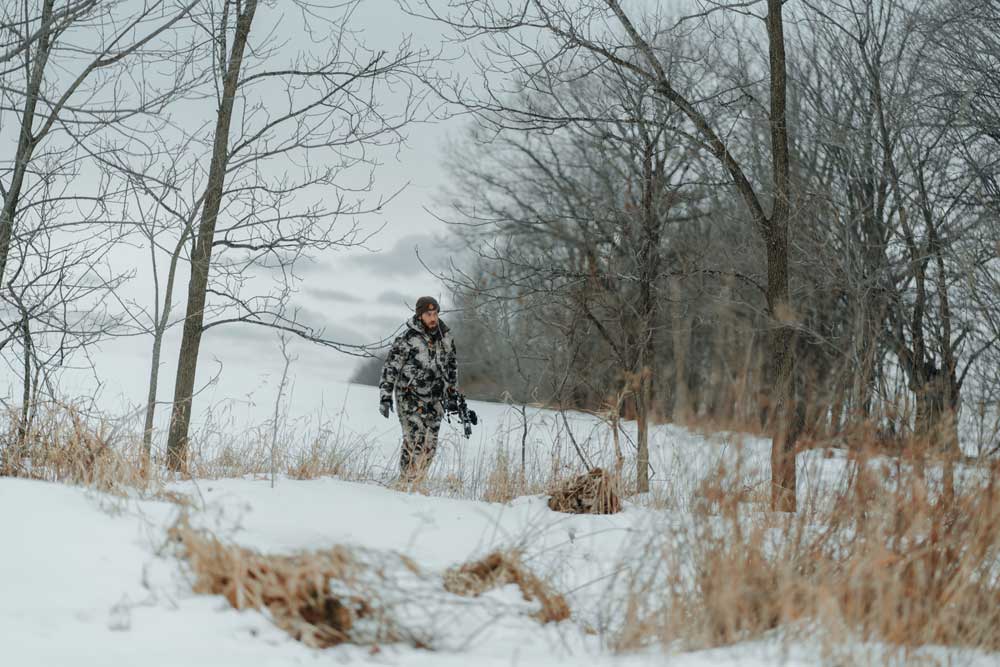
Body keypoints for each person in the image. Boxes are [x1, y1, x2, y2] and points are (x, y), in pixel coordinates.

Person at [378, 296, 458, 479]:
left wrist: (452, 394)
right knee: (415, 440)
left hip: (436, 399)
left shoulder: (446, 338)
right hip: (410, 397)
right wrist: (385, 396)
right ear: (420, 315)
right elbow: (390, 368)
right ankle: (407, 480)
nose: (433, 318)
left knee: (430, 445)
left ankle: (418, 479)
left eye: (435, 313)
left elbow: (452, 367)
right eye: (429, 314)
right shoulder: (407, 339)